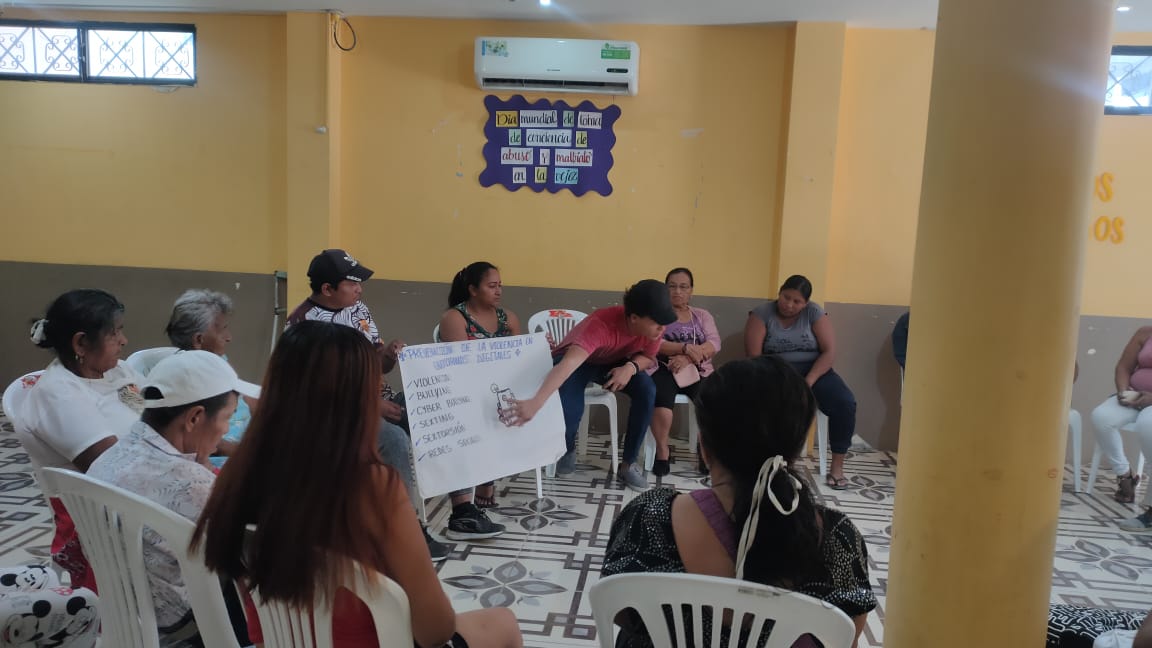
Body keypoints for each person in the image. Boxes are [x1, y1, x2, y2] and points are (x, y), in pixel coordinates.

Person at [191, 322, 524, 648]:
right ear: (358, 400)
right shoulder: (373, 487)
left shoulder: (237, 477)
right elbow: (435, 630)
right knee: (503, 622)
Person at [602, 356, 876, 647]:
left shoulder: (649, 517)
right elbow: (847, 636)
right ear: (795, 450)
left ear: (704, 447)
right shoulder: (838, 537)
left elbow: (619, 610)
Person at [286, 249, 448, 561]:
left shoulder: (358, 309)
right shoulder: (302, 325)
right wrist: (369, 407)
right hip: (330, 414)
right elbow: (310, 391)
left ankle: (462, 509)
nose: (359, 289)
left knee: (432, 412)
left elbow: (377, 364)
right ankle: (405, 529)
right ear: (327, 289)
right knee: (393, 439)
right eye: (352, 283)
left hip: (374, 399)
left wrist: (388, 354)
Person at [87, 350, 257, 645]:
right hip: (177, 621)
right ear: (194, 417)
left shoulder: (110, 457)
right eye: (227, 418)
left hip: (123, 607)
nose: (227, 430)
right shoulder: (191, 482)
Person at [17, 289, 144, 590]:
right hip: (101, 511)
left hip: (141, 485)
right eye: (115, 333)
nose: (124, 341)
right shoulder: (58, 394)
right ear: (81, 343)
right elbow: (112, 470)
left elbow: (161, 412)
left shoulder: (118, 371)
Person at [508, 280, 676, 492]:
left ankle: (628, 464)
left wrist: (630, 368)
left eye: (664, 322)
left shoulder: (655, 330)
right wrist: (536, 402)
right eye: (657, 323)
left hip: (612, 361)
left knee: (647, 389)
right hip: (576, 361)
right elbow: (568, 364)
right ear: (634, 318)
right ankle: (568, 448)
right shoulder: (601, 325)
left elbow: (648, 357)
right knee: (571, 409)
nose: (662, 329)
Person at [744, 275, 858, 489]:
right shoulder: (761, 314)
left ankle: (837, 467)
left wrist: (809, 381)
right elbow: (754, 357)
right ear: (779, 292)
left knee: (845, 402)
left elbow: (829, 351)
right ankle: (777, 463)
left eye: (797, 301)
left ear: (806, 303)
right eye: (786, 297)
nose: (789, 305)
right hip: (776, 371)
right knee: (774, 405)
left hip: (815, 371)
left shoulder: (814, 313)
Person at [436, 262, 517, 540]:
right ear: (472, 289)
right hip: (462, 393)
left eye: (500, 285)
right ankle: (471, 493)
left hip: (496, 389)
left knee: (509, 410)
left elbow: (519, 356)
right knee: (470, 419)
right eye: (492, 286)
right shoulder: (455, 319)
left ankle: (486, 478)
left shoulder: (508, 318)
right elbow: (462, 368)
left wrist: (544, 347)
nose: (499, 291)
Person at [162, 289, 258, 466]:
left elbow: (246, 397)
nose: (229, 337)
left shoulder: (218, 360)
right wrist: (253, 455)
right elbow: (203, 441)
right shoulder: (186, 377)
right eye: (223, 329)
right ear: (199, 340)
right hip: (223, 459)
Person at [648, 268, 720, 477]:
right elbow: (653, 342)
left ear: (691, 291)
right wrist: (683, 349)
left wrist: (688, 358)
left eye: (683, 287)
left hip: (696, 369)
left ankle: (706, 451)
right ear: (665, 289)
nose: (677, 291)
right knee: (661, 399)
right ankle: (662, 451)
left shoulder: (702, 316)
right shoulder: (656, 315)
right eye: (672, 286)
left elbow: (714, 343)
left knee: (711, 401)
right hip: (662, 367)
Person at [1090, 326, 1152, 528]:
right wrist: (1124, 392)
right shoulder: (1145, 332)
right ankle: (1125, 475)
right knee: (1101, 417)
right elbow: (1123, 367)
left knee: (1148, 426)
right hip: (1134, 395)